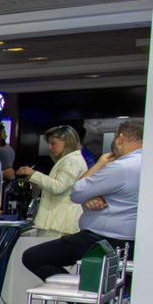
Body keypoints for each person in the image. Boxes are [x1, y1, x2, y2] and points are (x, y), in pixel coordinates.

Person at [21, 120, 141, 279]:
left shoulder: (120, 166)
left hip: (101, 239)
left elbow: (76, 191)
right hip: (124, 240)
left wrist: (99, 165)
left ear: (120, 139)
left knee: (33, 257)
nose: (49, 147)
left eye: (53, 143)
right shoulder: (143, 164)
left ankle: (78, 295)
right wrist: (90, 196)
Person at [17, 126, 87, 235]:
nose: (49, 147)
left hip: (59, 225)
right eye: (48, 143)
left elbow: (58, 187)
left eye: (53, 143)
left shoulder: (72, 161)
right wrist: (34, 179)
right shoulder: (69, 160)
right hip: (57, 222)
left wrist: (33, 174)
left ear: (67, 142)